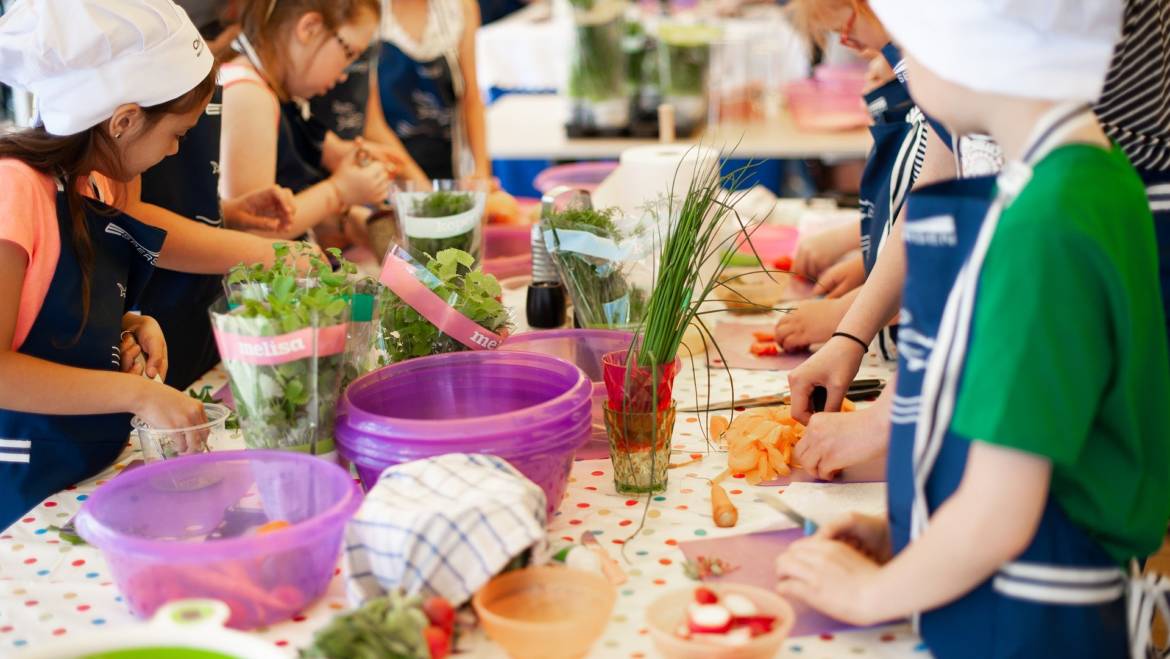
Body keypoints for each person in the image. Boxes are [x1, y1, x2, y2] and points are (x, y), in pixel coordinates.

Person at [776, 2, 1170, 656]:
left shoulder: (1043, 229)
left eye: (917, 44)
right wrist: (916, 536)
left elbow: (999, 514)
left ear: (972, 49)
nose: (905, 67)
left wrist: (871, 593)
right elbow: (1059, 459)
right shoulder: (1096, 181)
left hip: (1027, 627)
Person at [0, 0, 213, 527]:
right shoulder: (15, 190)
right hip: (20, 495)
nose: (172, 152)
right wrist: (136, 392)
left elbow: (47, 316)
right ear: (123, 121)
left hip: (83, 478)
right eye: (175, 135)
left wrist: (128, 324)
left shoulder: (92, 186)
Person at [775, 0, 933, 356]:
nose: (847, 42)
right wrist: (869, 266)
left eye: (845, 27)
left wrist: (843, 317)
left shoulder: (941, 102)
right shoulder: (935, 110)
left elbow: (941, 268)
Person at [219, 0, 396, 241]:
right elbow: (253, 230)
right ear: (309, 28)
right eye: (349, 53)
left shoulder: (278, 94)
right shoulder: (250, 96)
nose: (345, 73)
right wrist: (339, 191)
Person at [375, 0, 491, 181]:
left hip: (449, 165)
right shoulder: (370, 10)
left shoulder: (460, 7)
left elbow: (471, 98)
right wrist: (423, 189)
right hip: (387, 172)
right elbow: (372, 122)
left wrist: (482, 172)